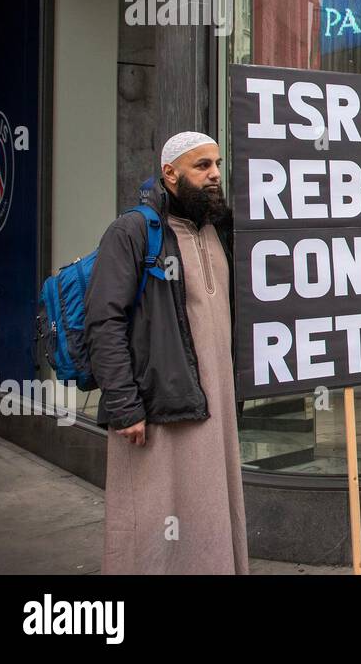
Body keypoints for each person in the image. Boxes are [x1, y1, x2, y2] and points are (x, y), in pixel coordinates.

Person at [86, 132, 248, 574]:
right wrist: (124, 405)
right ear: (170, 174)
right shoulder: (132, 232)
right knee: (152, 523)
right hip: (156, 407)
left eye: (217, 163)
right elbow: (104, 322)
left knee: (211, 513)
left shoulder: (219, 229)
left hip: (215, 406)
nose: (215, 174)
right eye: (202, 166)